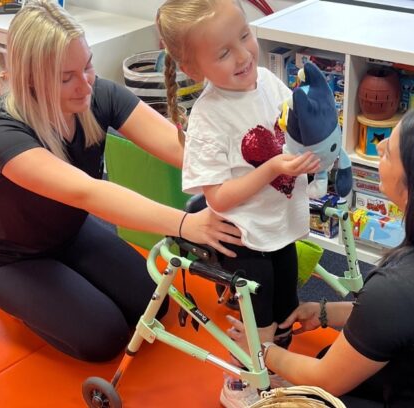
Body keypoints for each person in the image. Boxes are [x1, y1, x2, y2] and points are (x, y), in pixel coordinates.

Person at [0, 0, 242, 363]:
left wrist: (249, 173)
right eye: (66, 77)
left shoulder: (98, 95)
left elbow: (182, 149)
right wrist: (187, 224)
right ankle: (16, 300)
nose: (85, 85)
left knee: (152, 305)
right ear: (31, 79)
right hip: (8, 258)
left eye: (87, 65)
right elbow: (87, 192)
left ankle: (62, 285)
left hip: (70, 234)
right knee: (103, 339)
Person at [228, 102, 414, 407]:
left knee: (318, 380)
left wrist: (262, 350)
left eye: (389, 152)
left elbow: (325, 378)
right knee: (332, 356)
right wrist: (326, 312)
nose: (379, 146)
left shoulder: (398, 288)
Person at [156, 0, 320, 406]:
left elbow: (293, 128)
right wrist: (270, 170)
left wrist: (313, 150)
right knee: (257, 315)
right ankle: (241, 382)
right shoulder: (210, 118)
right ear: (194, 69)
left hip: (278, 226)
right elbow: (216, 196)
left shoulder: (268, 81)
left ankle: (273, 365)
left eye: (245, 35)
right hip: (243, 236)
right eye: (223, 53)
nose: (244, 55)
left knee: (286, 305)